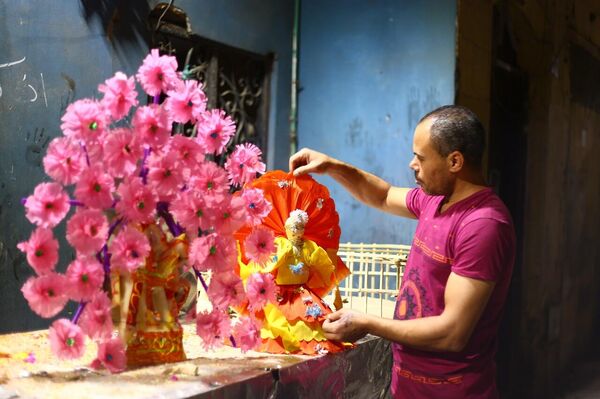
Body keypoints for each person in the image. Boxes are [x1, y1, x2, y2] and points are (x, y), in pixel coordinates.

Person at [289, 105, 515, 398]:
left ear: (455, 161)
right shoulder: (435, 201)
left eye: (420, 157)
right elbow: (382, 195)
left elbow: (453, 333)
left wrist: (367, 322)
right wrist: (331, 165)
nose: (412, 164)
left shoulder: (483, 225)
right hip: (409, 387)